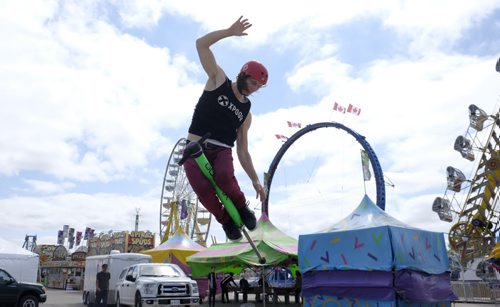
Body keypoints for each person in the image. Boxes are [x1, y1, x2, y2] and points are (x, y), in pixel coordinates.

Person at [183, 16, 268, 241]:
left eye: (258, 87)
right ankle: (226, 221)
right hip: (194, 148)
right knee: (205, 193)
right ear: (243, 75)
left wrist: (255, 180)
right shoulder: (218, 79)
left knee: (224, 177)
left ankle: (242, 207)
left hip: (222, 150)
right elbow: (201, 44)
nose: (253, 89)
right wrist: (229, 32)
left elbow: (243, 151)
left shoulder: (246, 113)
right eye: (252, 83)